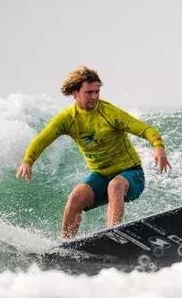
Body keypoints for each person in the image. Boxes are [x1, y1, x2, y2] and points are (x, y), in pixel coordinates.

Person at [16, 66, 171, 238]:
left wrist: (158, 146)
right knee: (76, 197)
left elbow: (145, 129)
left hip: (131, 174)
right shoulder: (68, 119)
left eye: (97, 91)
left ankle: (113, 235)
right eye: (89, 92)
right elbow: (42, 139)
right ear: (75, 93)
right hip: (100, 176)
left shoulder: (109, 113)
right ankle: (66, 246)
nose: (95, 96)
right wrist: (28, 161)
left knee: (115, 185)